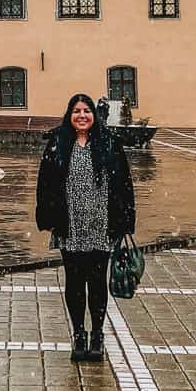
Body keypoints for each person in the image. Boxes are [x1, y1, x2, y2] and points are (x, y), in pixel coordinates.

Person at [35, 92, 135, 363]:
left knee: (98, 282)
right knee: (75, 282)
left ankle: (98, 334)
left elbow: (124, 184)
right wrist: (47, 216)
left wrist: (125, 220)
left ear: (94, 115)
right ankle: (79, 334)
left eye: (86, 111)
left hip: (101, 224)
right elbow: (44, 184)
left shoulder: (108, 143)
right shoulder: (58, 143)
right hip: (71, 225)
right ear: (69, 115)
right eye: (77, 111)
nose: (82, 116)